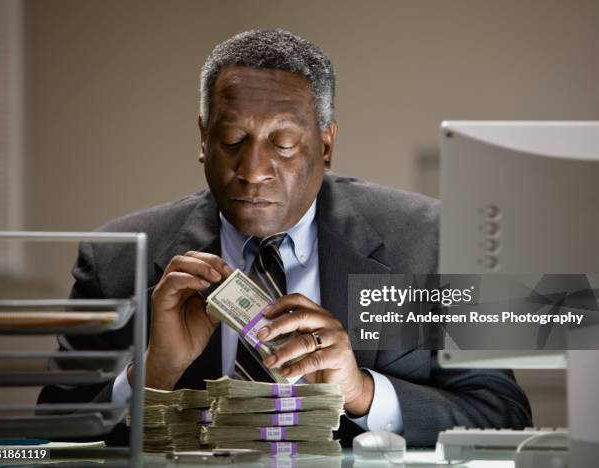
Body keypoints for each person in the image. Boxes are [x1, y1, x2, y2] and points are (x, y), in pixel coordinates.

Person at [39, 29, 531, 446]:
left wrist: (361, 392)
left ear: (327, 144)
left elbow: (503, 413)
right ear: (203, 139)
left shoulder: (431, 240)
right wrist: (153, 374)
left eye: (284, 143)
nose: (253, 171)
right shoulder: (116, 256)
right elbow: (51, 436)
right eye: (232, 141)